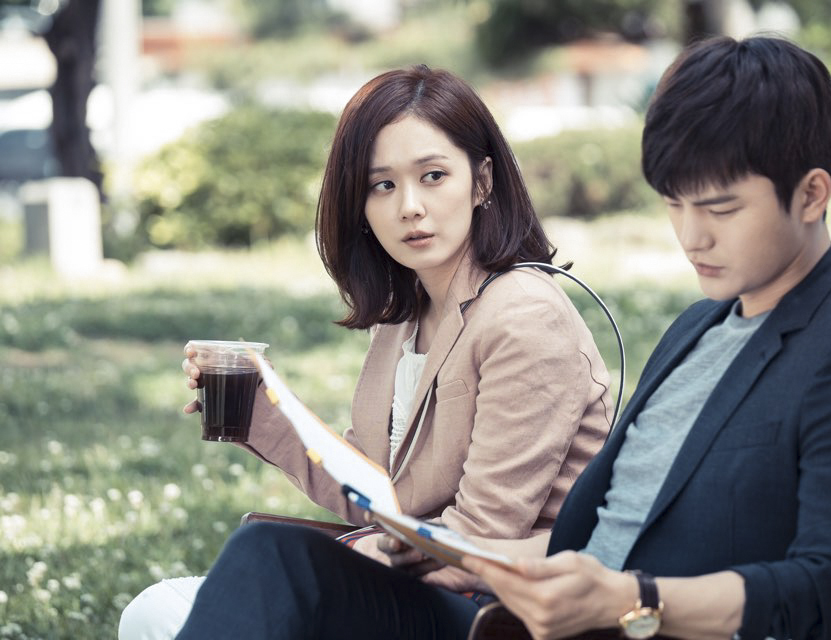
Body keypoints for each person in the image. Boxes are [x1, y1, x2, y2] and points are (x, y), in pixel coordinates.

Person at [171, 35, 831, 640]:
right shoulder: (699, 327)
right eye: (675, 205)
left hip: (604, 628)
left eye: (721, 209)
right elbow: (589, 537)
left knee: (274, 565)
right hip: (530, 611)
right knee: (270, 568)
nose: (692, 236)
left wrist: (632, 599)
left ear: (812, 194)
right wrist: (452, 555)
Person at [118, 65, 612, 639]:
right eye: (383, 186)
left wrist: (360, 553)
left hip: (496, 608)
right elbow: (376, 496)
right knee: (154, 610)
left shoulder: (524, 314)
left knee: (270, 554)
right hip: (415, 589)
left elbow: (483, 535)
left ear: (482, 182)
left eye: (433, 176)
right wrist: (262, 408)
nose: (410, 206)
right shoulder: (404, 321)